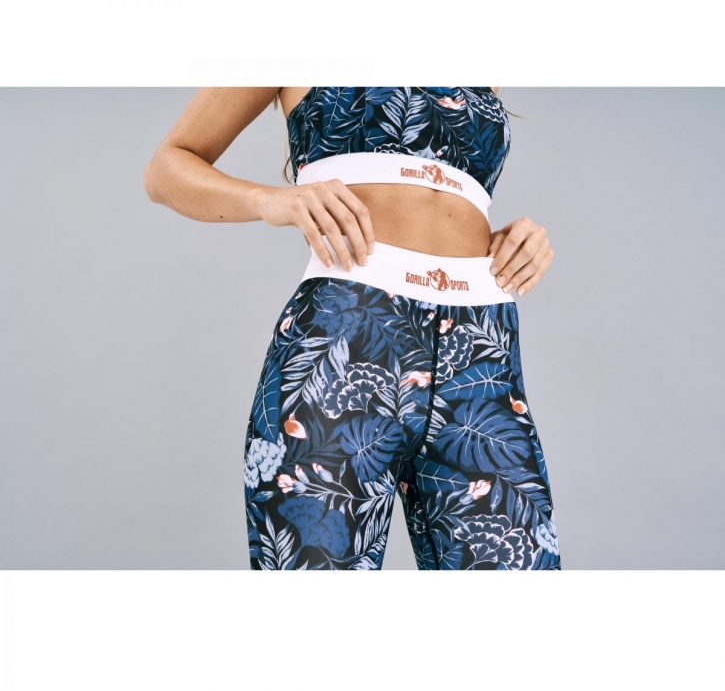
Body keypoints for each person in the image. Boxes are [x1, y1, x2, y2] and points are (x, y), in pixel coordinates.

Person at [143, 87, 560, 571]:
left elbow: (449, 198)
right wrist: (270, 200)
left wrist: (519, 241)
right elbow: (164, 170)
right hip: (346, 343)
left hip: (481, 352)